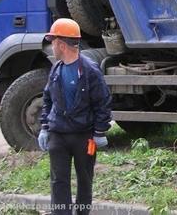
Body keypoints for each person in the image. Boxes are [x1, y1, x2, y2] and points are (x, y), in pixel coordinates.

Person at [38, 18, 112, 215]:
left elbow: (102, 101)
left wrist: (99, 131)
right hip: (58, 135)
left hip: (83, 136)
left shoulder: (89, 70)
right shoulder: (56, 68)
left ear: (61, 44)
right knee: (58, 181)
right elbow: (47, 99)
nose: (52, 46)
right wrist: (45, 127)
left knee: (84, 181)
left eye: (53, 42)